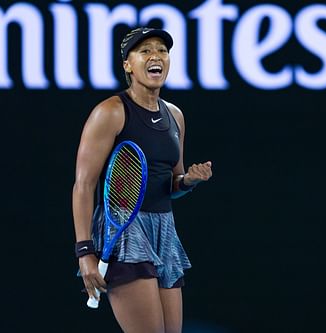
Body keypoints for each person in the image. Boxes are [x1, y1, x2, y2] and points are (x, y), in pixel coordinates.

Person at [72, 27, 212, 333]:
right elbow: (83, 184)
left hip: (164, 230)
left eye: (162, 51)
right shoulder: (110, 112)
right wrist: (85, 253)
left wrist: (189, 181)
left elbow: (171, 184)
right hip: (123, 231)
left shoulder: (175, 116)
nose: (156, 56)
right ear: (128, 64)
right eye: (145, 50)